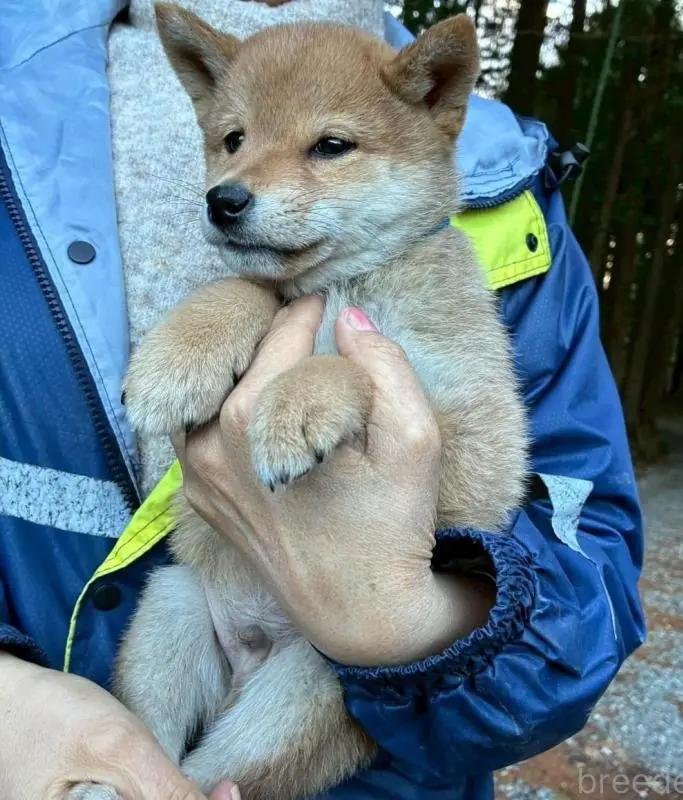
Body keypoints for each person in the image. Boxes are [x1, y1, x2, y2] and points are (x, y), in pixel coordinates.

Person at [0, 0, 646, 798]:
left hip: (341, 680)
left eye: (329, 146)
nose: (240, 181)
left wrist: (401, 622)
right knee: (172, 607)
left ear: (437, 102)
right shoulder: (19, 102)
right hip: (183, 607)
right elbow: (263, 300)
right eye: (233, 140)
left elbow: (494, 470)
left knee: (307, 694)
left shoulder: (477, 249)